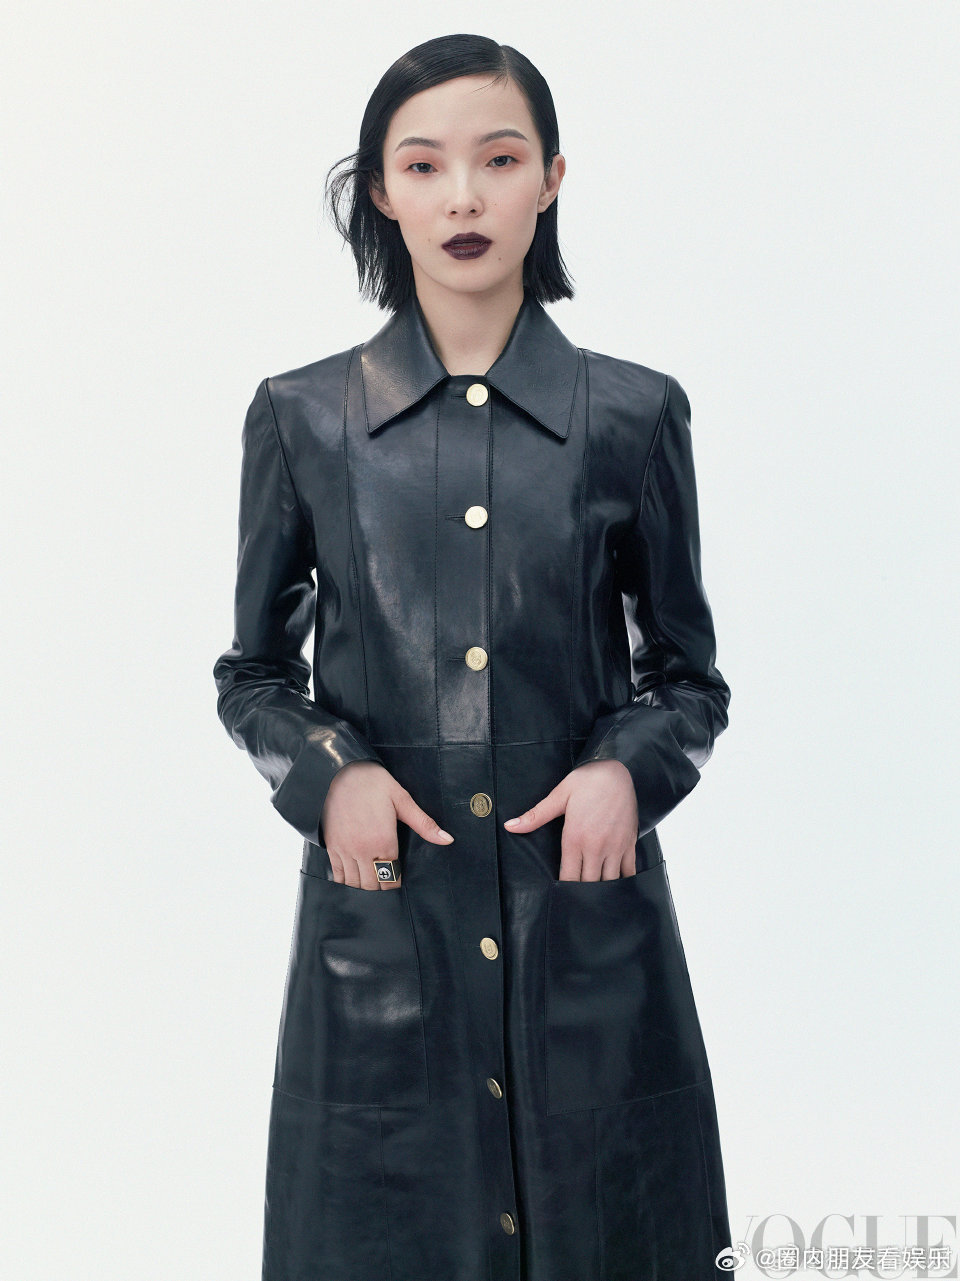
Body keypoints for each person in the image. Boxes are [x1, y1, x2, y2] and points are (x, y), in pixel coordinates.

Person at [213, 31, 734, 1281]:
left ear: (550, 179)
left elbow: (687, 677)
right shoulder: (302, 418)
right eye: (424, 165)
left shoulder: (633, 415)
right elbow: (254, 675)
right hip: (386, 934)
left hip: (585, 927)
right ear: (381, 192)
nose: (463, 197)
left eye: (499, 160)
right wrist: (330, 773)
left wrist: (628, 770)